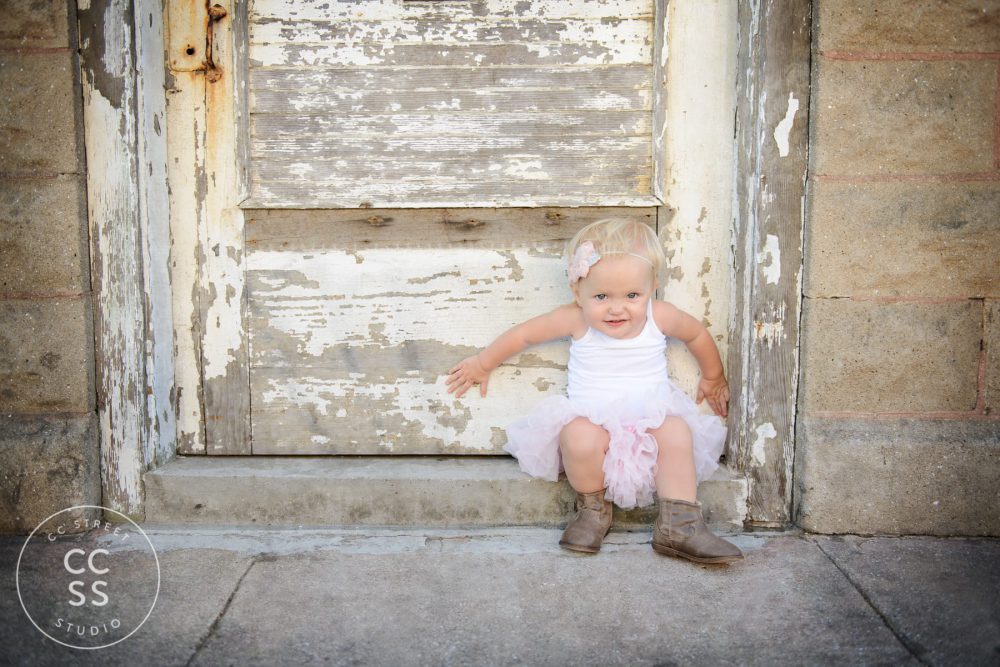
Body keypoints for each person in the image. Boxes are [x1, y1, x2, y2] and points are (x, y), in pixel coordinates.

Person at [446, 218, 742, 564]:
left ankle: (680, 525)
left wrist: (713, 376)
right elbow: (524, 335)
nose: (617, 308)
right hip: (593, 418)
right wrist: (483, 362)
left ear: (652, 288)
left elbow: (696, 335)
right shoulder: (576, 319)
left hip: (650, 417)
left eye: (632, 295)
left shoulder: (658, 316)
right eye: (601, 296)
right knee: (577, 436)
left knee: (676, 432)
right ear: (578, 293)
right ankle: (592, 510)